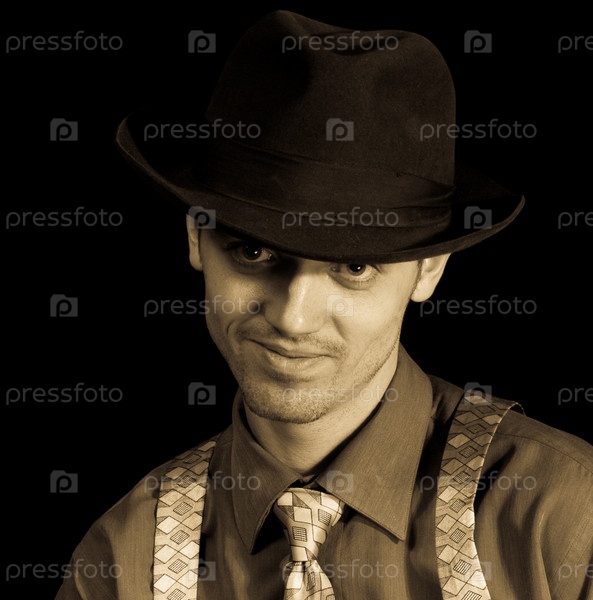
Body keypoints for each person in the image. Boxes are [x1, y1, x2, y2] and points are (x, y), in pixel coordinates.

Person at [55, 10, 593, 600]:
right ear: (194, 237)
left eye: (354, 267)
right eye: (253, 251)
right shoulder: (121, 560)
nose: (293, 317)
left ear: (429, 269)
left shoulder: (565, 515)